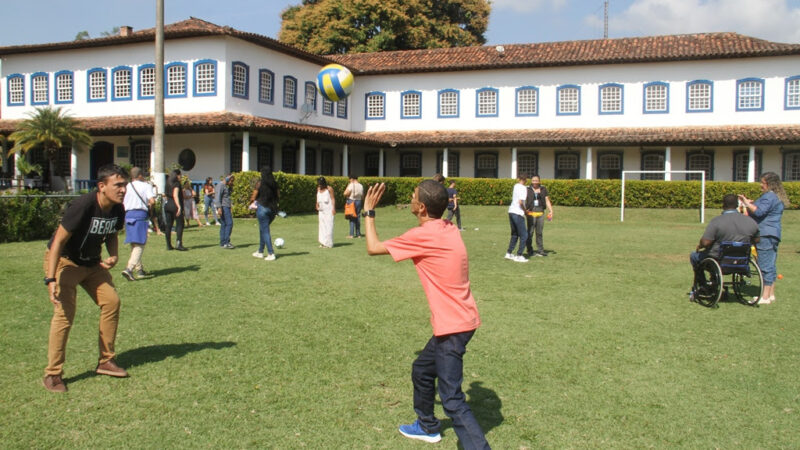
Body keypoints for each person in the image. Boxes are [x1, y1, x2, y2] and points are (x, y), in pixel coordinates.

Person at [363, 180, 491, 449]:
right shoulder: (448, 227)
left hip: (452, 327)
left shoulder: (423, 236)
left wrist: (369, 212)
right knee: (422, 369)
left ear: (421, 207)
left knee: (452, 400)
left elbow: (373, 247)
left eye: (412, 196)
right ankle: (427, 425)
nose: (409, 199)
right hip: (463, 320)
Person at [42, 164, 130, 392]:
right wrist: (50, 279)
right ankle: (53, 374)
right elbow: (58, 242)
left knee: (112, 301)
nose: (123, 190)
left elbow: (111, 233)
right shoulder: (82, 206)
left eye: (125, 185)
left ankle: (106, 361)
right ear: (102, 186)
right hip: (65, 262)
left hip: (91, 263)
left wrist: (114, 255)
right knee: (64, 315)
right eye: (118, 185)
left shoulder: (117, 208)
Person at [690, 194, 760, 300]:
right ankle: (714, 283)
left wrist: (699, 246)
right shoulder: (750, 221)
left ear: (723, 205)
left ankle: (704, 286)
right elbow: (757, 240)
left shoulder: (717, 221)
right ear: (737, 205)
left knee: (694, 256)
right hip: (741, 261)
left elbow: (705, 242)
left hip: (718, 259)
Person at [738, 172, 790, 304]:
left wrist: (745, 203)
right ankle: (770, 294)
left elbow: (759, 211)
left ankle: (765, 297)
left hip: (765, 234)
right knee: (770, 265)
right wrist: (749, 204)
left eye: (763, 183)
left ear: (770, 184)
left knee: (764, 265)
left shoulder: (769, 197)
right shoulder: (774, 197)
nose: (761, 185)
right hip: (773, 234)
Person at [121, 167, 155, 281]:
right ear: (140, 175)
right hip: (140, 214)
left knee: (134, 243)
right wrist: (151, 209)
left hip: (128, 214)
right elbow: (152, 201)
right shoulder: (146, 186)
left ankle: (139, 269)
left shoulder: (126, 186)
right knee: (140, 243)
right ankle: (129, 268)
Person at [251, 166, 279, 261]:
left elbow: (253, 196)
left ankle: (271, 253)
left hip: (262, 208)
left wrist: (252, 203)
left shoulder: (260, 183)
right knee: (263, 229)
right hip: (273, 209)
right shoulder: (275, 184)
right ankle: (260, 251)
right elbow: (278, 196)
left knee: (265, 231)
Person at [524, 175, 554, 257]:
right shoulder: (527, 189)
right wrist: (524, 210)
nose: (535, 182)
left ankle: (540, 250)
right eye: (533, 180)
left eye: (536, 180)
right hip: (530, 212)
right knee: (530, 232)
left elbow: (547, 200)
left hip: (540, 212)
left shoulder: (543, 189)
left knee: (539, 232)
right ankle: (529, 250)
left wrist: (551, 210)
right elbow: (523, 200)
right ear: (531, 181)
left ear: (539, 181)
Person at [505, 173, 528, 263]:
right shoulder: (524, 188)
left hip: (511, 211)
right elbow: (520, 202)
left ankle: (509, 253)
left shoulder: (516, 186)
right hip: (518, 213)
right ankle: (519, 255)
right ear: (526, 180)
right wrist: (525, 211)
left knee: (514, 234)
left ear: (518, 178)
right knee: (524, 235)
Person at [163, 169, 187, 251]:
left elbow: (166, 194)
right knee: (180, 224)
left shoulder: (167, 183)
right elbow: (175, 195)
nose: (181, 177)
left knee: (169, 225)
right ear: (177, 175)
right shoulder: (176, 183)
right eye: (180, 175)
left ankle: (168, 244)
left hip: (167, 204)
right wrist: (179, 206)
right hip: (174, 205)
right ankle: (179, 243)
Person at [216, 174, 235, 249]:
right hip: (223, 207)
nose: (231, 183)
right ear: (227, 179)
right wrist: (219, 207)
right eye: (231, 181)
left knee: (224, 224)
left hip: (227, 206)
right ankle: (226, 242)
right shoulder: (220, 185)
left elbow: (228, 196)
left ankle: (223, 242)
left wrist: (231, 187)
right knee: (229, 223)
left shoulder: (226, 187)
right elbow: (218, 197)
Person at [316, 176, 335, 248]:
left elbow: (333, 199)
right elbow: (317, 198)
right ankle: (322, 242)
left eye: (321, 184)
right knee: (322, 226)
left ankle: (328, 243)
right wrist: (317, 204)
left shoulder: (329, 189)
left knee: (329, 226)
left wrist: (333, 208)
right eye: (319, 184)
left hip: (328, 209)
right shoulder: (318, 189)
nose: (320, 185)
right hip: (321, 210)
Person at [343, 174, 364, 238]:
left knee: (352, 217)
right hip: (359, 201)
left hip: (351, 201)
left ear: (352, 179)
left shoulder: (351, 185)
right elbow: (362, 196)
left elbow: (345, 193)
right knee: (358, 217)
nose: (349, 180)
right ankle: (358, 234)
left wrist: (347, 188)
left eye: (349, 179)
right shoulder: (361, 185)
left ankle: (351, 234)